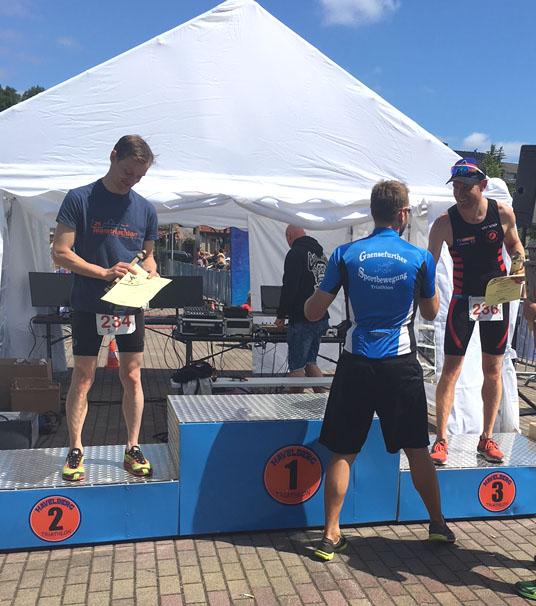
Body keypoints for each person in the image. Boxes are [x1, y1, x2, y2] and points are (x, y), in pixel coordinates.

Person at [304, 180, 454, 561]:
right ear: (403, 214)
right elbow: (431, 313)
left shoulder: (345, 254)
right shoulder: (420, 257)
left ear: (374, 212)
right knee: (417, 449)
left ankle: (330, 535)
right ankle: (437, 524)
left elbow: (314, 311)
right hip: (400, 364)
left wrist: (306, 302)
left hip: (356, 362)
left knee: (343, 451)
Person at [52, 135, 158, 482]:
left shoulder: (145, 209)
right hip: (88, 301)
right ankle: (75, 448)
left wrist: (151, 271)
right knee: (83, 376)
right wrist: (103, 272)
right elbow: (61, 252)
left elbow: (149, 255)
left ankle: (132, 446)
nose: (132, 181)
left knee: (133, 375)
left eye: (139, 177)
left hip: (129, 302)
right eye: (128, 172)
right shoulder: (79, 198)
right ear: (113, 156)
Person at [428, 159, 524, 466]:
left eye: (465, 188)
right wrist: (427, 299)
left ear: (482, 185)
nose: (459, 193)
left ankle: (487, 437)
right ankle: (441, 439)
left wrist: (518, 269)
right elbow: (428, 266)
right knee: (451, 370)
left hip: (495, 298)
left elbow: (516, 246)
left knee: (492, 369)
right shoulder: (444, 223)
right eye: (455, 187)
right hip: (462, 301)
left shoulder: (502, 213)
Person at [275, 225, 329, 387]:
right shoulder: (321, 253)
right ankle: (323, 400)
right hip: (320, 315)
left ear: (289, 236)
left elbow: (290, 286)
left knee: (297, 368)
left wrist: (281, 315)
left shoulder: (295, 253)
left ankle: (293, 404)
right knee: (310, 363)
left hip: (302, 317)